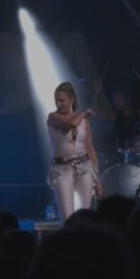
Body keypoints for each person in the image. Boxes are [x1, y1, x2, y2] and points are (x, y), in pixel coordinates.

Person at [47, 82, 102, 220]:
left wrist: (98, 180)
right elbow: (71, 124)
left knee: (86, 215)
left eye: (62, 100)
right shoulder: (53, 117)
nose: (58, 104)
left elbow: (90, 150)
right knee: (68, 218)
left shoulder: (84, 121)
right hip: (62, 169)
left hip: (84, 167)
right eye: (56, 100)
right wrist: (84, 112)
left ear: (72, 100)